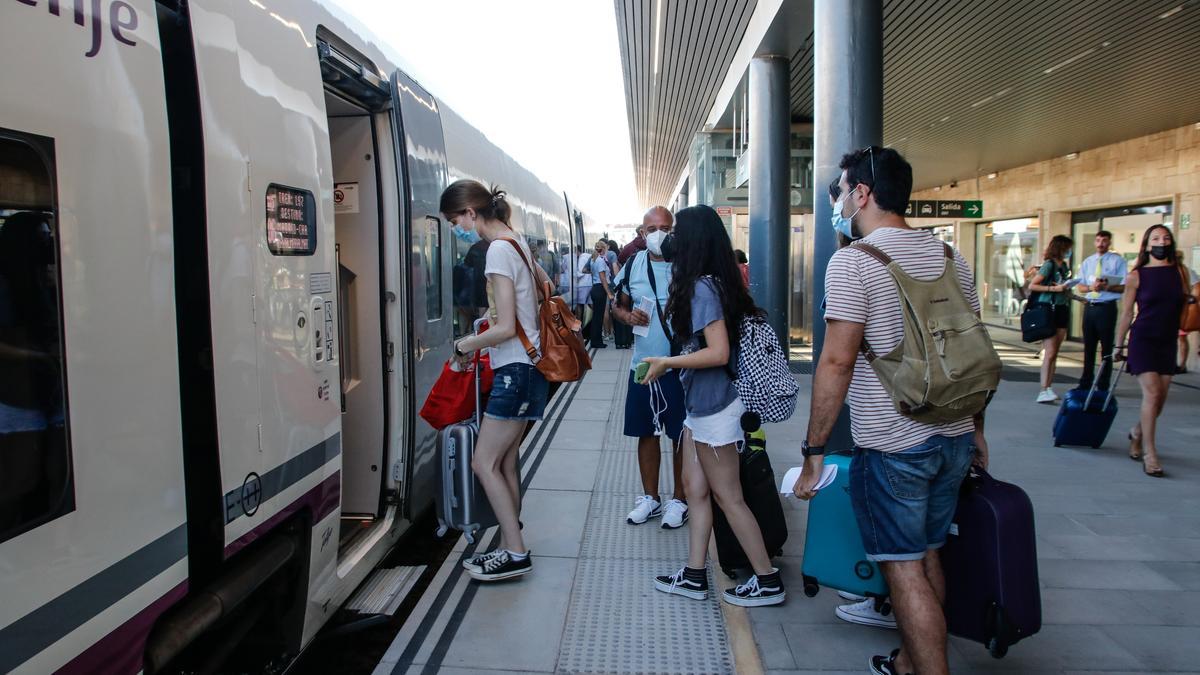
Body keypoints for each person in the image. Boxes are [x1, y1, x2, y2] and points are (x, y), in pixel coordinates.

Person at [793, 146, 986, 675]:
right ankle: (907, 661)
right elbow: (969, 352)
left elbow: (835, 363)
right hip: (953, 433)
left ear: (862, 193)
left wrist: (814, 451)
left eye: (839, 191)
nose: (836, 202)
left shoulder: (854, 262)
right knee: (928, 553)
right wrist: (977, 431)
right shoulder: (951, 258)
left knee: (902, 568)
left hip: (895, 440)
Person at [643, 204, 785, 608]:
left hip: (716, 406)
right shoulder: (716, 282)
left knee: (728, 497)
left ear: (692, 240)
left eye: (676, 232)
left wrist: (667, 362)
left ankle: (767, 579)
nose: (669, 239)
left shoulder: (703, 287)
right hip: (701, 407)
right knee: (696, 490)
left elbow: (719, 353)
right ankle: (692, 575)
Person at [440, 180, 550, 581]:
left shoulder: (498, 251)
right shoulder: (516, 241)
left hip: (515, 372)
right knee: (503, 462)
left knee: (483, 462)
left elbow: (506, 328)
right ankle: (509, 542)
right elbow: (532, 300)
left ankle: (515, 551)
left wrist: (465, 343)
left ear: (471, 212)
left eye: (455, 221)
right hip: (528, 369)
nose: (457, 229)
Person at [610, 206, 688, 529]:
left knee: (681, 435)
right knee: (645, 432)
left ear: (674, 230)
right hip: (642, 366)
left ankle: (679, 500)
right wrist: (626, 318)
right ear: (642, 234)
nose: (659, 234)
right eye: (652, 229)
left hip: (680, 367)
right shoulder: (633, 265)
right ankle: (651, 498)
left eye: (665, 228)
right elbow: (618, 304)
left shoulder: (686, 265)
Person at [1115, 224, 1194, 477]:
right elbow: (1127, 312)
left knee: (1159, 400)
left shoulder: (1179, 272)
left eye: (1166, 237)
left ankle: (1137, 432)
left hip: (1168, 339)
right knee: (1152, 393)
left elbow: (1187, 301)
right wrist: (1118, 344)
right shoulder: (1136, 275)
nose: (1161, 242)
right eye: (1156, 238)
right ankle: (1150, 454)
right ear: (1147, 244)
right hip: (1143, 338)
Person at [1074, 230, 1127, 391]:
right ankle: (1085, 382)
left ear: (1109, 242)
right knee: (1089, 347)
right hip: (1090, 306)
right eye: (1098, 240)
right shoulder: (1088, 262)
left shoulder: (1118, 261)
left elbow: (1124, 286)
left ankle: (1103, 384)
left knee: (1106, 348)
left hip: (1107, 307)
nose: (1100, 243)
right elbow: (1081, 286)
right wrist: (1091, 287)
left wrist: (1107, 286)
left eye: (1104, 240)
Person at [1027, 235, 1074, 403]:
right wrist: (1054, 290)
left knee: (1055, 353)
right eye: (1067, 248)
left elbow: (1061, 286)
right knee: (1050, 351)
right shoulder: (1049, 265)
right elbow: (1033, 285)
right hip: (1049, 309)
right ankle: (1043, 389)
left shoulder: (1064, 266)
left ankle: (1048, 386)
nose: (1070, 251)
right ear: (1061, 248)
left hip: (1062, 308)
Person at [584, 240, 612, 349]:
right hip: (600, 289)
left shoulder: (593, 260)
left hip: (595, 288)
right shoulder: (600, 261)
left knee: (596, 317)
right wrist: (609, 293)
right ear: (604, 249)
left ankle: (596, 340)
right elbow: (603, 278)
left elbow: (587, 271)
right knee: (598, 317)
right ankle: (596, 342)